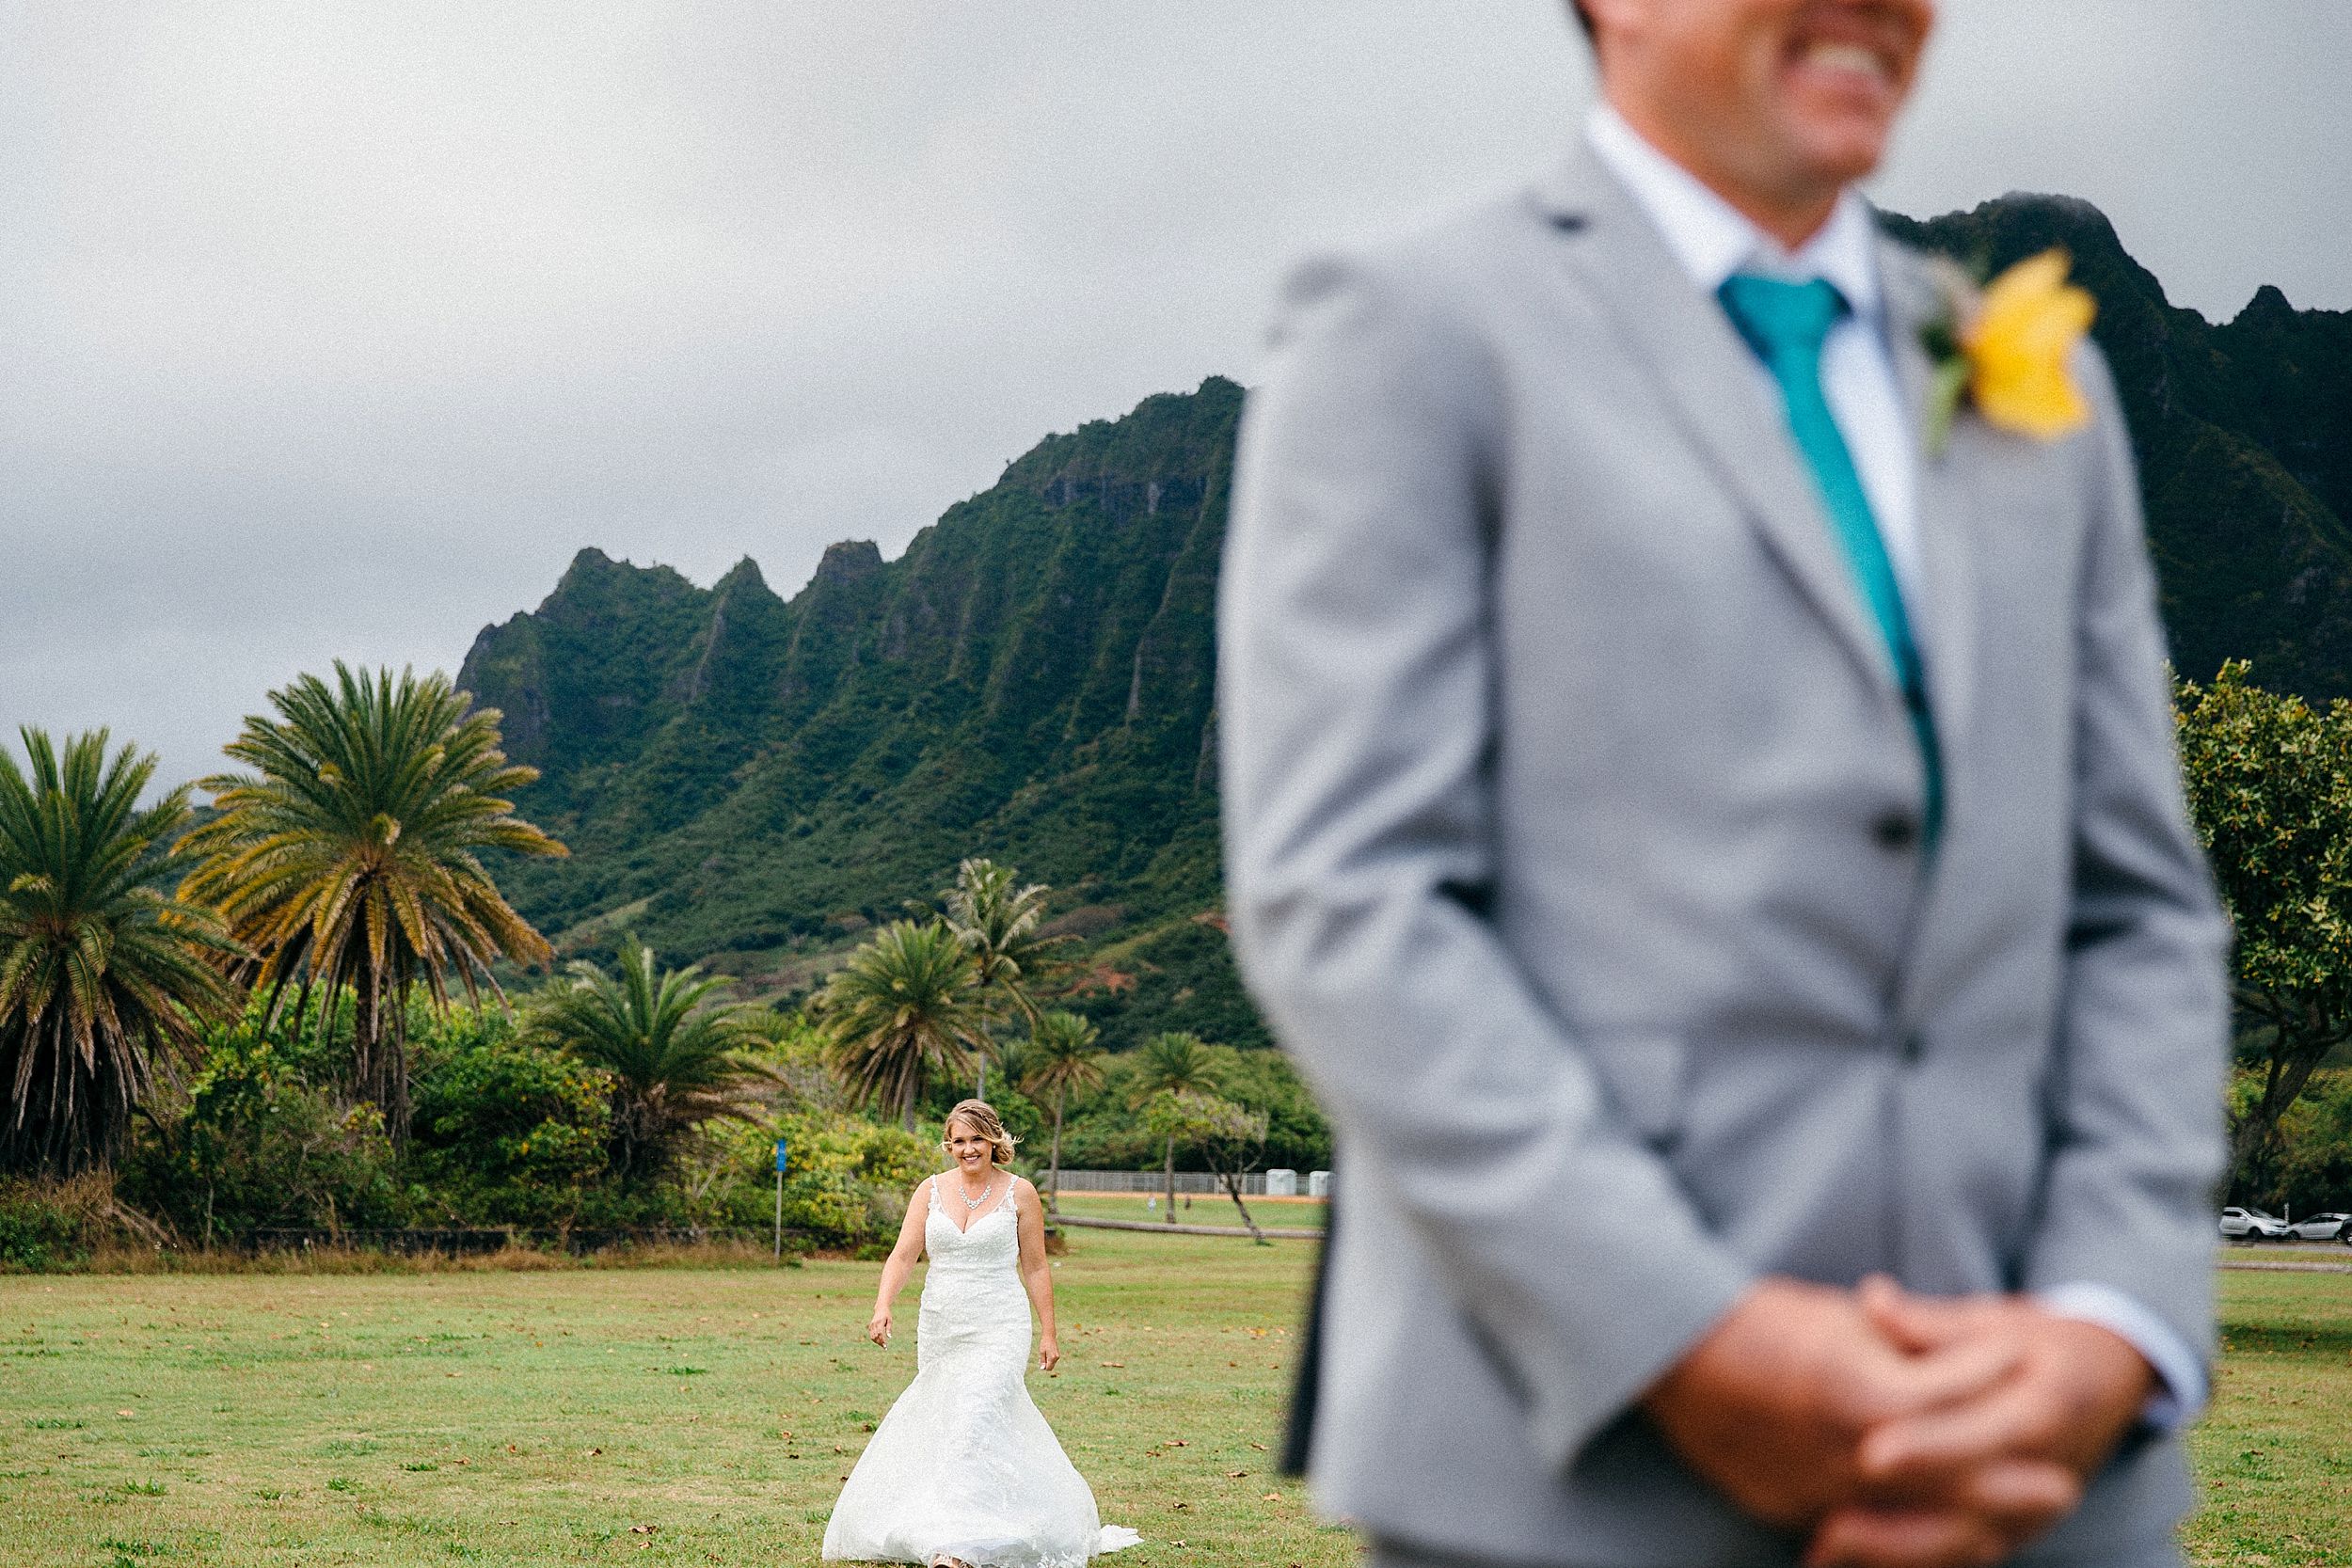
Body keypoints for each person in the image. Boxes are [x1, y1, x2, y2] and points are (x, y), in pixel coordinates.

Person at [1216, 2, 2228, 1566]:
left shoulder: (2041, 390)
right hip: (1587, 1483)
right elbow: (1348, 894)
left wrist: (2109, 1325)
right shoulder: (1411, 329)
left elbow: (2139, 915)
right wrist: (1687, 1335)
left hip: (2040, 1480)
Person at [823, 1101, 1141, 1568]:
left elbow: (1034, 1266)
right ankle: (945, 1522)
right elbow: (903, 1254)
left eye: (977, 1139)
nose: (968, 1149)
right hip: (942, 1321)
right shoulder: (928, 1191)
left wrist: (1049, 1332)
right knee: (949, 1419)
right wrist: (882, 1305)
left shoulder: (1021, 1193)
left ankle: (960, 1545)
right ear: (949, 1145)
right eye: (959, 1141)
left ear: (994, 1141)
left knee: (976, 1412)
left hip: (1000, 1323)